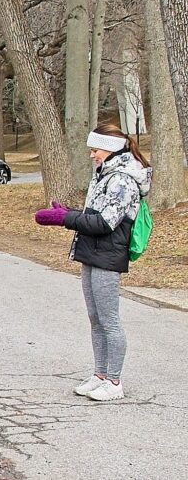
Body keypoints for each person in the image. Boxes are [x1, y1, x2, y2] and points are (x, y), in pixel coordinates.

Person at [35, 124, 151, 402]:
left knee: (109, 320)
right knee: (95, 319)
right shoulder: (103, 175)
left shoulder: (122, 180)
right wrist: (69, 213)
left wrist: (65, 219)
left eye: (95, 149)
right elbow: (93, 214)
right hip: (92, 251)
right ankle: (99, 375)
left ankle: (114, 381)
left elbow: (105, 222)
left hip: (108, 254)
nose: (92, 155)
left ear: (110, 150)